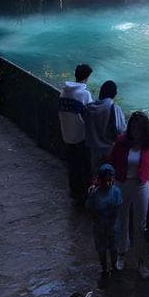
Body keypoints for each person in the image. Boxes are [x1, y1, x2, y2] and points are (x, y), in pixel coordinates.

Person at [110, 111, 149, 279]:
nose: (135, 131)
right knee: (121, 220)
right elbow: (113, 162)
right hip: (121, 183)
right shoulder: (121, 141)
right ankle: (122, 253)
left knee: (141, 224)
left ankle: (140, 260)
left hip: (141, 184)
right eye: (133, 127)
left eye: (139, 128)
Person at [59, 64, 93, 205]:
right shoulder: (84, 94)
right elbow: (91, 114)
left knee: (72, 166)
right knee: (83, 167)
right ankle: (83, 195)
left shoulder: (63, 92)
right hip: (81, 136)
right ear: (86, 77)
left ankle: (73, 192)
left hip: (66, 134)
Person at [86, 163, 123, 280]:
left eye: (110, 180)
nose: (108, 183)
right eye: (105, 180)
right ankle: (104, 269)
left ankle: (113, 267)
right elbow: (90, 210)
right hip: (100, 226)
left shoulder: (116, 191)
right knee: (101, 250)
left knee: (113, 248)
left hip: (112, 225)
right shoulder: (94, 194)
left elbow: (117, 209)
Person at [83, 81, 127, 174]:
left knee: (94, 174)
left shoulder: (89, 107)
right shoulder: (114, 108)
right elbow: (121, 130)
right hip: (109, 150)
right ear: (114, 94)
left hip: (93, 149)